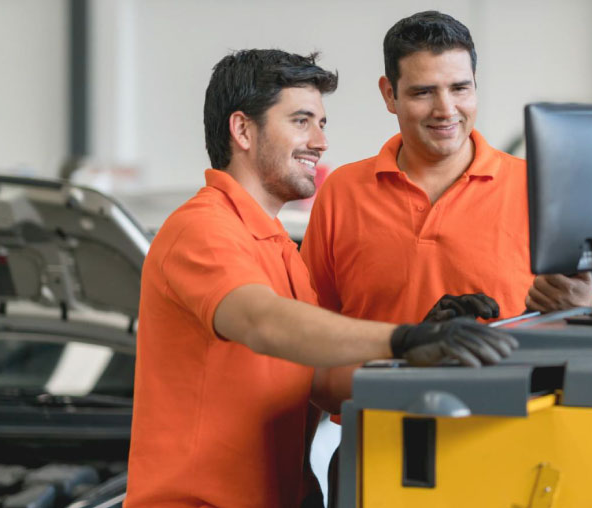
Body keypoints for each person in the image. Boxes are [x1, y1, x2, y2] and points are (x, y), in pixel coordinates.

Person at [125, 49, 516, 507]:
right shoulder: (203, 229)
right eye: (301, 121)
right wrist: (402, 338)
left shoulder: (279, 250)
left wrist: (420, 350)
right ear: (243, 130)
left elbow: (321, 382)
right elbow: (263, 323)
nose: (320, 141)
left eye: (322, 124)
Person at [301, 11, 591, 400]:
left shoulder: (541, 187)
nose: (445, 109)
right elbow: (310, 344)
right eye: (424, 92)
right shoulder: (342, 192)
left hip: (511, 431)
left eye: (460, 88)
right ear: (390, 94)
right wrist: (301, 460)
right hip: (377, 431)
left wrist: (584, 311)